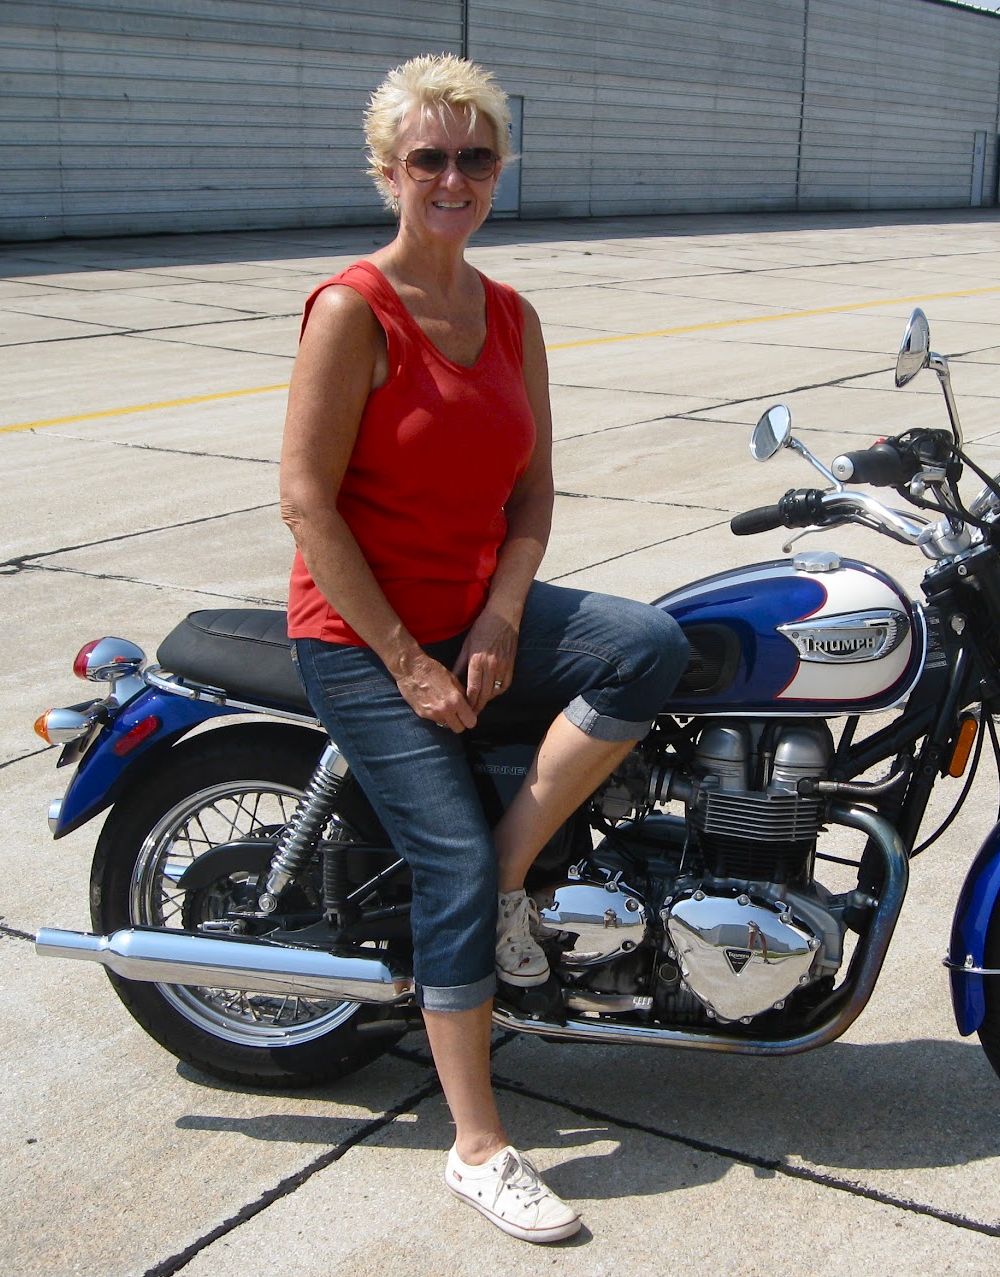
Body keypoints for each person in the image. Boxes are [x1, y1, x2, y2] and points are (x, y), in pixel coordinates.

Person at [279, 53, 689, 1244]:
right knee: (445, 861)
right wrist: (410, 660)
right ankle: (477, 1144)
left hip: (476, 605)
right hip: (361, 633)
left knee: (654, 645)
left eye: (475, 157)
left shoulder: (510, 315)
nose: (452, 177)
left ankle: (518, 871)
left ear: (498, 169)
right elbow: (308, 502)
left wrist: (505, 613)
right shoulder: (354, 309)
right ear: (388, 172)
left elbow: (533, 493)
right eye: (429, 159)